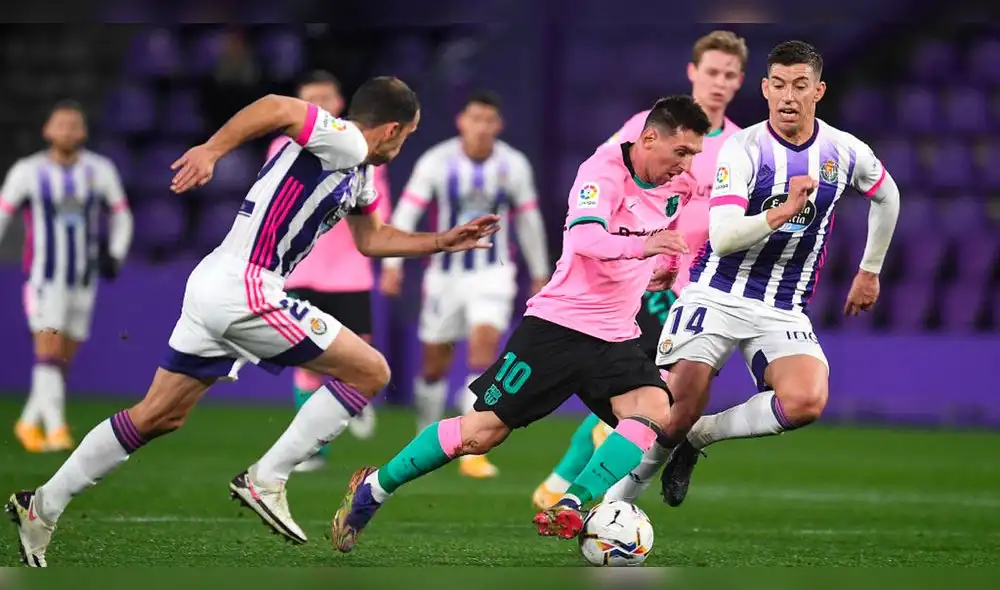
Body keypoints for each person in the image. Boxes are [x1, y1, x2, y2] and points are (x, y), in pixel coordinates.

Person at [7, 77, 501, 567]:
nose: (404, 144)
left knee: (158, 415)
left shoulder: (360, 172)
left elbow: (372, 238)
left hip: (217, 284)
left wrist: (440, 241)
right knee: (370, 371)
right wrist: (211, 150)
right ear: (392, 129)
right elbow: (275, 106)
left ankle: (42, 505)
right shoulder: (345, 139)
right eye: (408, 135)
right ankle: (268, 477)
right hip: (246, 286)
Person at [330, 95, 711, 554]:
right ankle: (373, 488)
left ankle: (572, 501)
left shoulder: (680, 183)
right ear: (649, 138)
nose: (687, 165)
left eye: (694, 154)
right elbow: (585, 238)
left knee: (653, 410)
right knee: (479, 434)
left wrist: (666, 265)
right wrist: (645, 247)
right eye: (681, 152)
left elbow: (672, 227)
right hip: (558, 327)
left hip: (615, 333)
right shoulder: (602, 172)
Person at [647, 40, 900, 508]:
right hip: (716, 294)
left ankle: (700, 437)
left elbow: (888, 195)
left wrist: (870, 270)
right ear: (765, 88)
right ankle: (614, 502)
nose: (788, 96)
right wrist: (784, 211)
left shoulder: (844, 150)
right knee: (676, 409)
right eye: (779, 85)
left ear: (818, 91)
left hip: (782, 305)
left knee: (806, 402)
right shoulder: (743, 148)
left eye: (800, 86)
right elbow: (724, 238)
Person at [531, 29, 748, 509]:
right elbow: (603, 174)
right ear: (693, 72)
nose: (719, 82)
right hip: (649, 277)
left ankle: (575, 484)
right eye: (712, 71)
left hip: (702, 286)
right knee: (645, 387)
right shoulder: (644, 127)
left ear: (739, 81)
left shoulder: (740, 146)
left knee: (667, 393)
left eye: (730, 75)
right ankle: (575, 485)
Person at [380, 90, 550, 479]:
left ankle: (470, 447)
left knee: (483, 350)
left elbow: (528, 220)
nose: (481, 127)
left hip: (493, 274)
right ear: (462, 122)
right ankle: (425, 435)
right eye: (475, 119)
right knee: (433, 367)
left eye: (489, 120)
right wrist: (392, 263)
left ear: (498, 125)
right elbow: (408, 211)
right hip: (445, 276)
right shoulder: (437, 161)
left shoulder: (513, 164)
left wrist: (540, 272)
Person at [267, 70, 390, 472]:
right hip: (301, 270)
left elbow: (379, 213)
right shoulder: (281, 147)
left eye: (325, 97)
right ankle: (312, 451)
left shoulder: (363, 148)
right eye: (310, 98)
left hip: (351, 272)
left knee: (359, 357)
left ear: (339, 103)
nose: (318, 105)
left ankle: (354, 401)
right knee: (308, 360)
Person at [0, 100, 133, 454]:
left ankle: (28, 422)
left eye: (74, 125)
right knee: (48, 349)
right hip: (45, 278)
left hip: (83, 279)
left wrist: (116, 253)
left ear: (84, 132)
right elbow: (3, 212)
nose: (68, 131)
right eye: (61, 124)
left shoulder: (99, 170)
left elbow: (121, 214)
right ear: (47, 130)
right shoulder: (28, 171)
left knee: (62, 358)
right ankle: (57, 430)